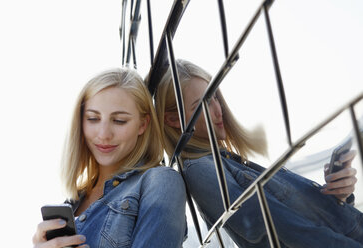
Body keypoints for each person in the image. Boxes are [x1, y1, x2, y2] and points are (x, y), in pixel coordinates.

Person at [154, 59, 363, 248]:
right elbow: (284, 229)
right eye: (203, 104)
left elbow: (302, 221)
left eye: (215, 96)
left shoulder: (225, 161)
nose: (219, 110)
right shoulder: (200, 168)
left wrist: (339, 195)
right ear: (173, 120)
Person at [32, 68, 187, 248]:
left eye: (119, 120)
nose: (104, 134)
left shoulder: (161, 182)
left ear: (142, 125)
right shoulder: (70, 204)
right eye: (93, 118)